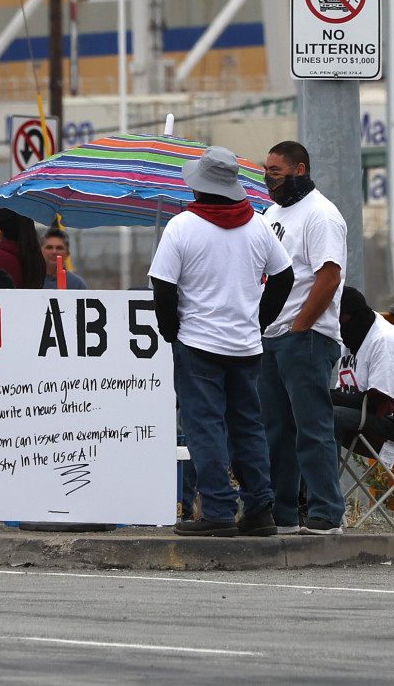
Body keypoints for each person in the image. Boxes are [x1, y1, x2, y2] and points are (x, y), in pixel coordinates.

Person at [150, 145, 293, 537]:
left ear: (199, 187)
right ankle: (260, 508)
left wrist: (170, 330)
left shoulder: (182, 226)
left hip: (198, 344)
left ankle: (217, 511)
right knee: (248, 427)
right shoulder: (259, 225)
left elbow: (162, 286)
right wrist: (259, 321)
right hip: (246, 347)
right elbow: (284, 278)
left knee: (205, 427)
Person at [257, 140, 348, 536]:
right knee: (276, 429)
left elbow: (329, 276)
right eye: (266, 170)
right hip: (271, 336)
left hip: (306, 336)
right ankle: (284, 511)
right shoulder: (270, 213)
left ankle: (326, 511)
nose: (268, 178)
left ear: (300, 169)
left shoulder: (321, 215)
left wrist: (299, 327)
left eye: (275, 171)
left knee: (311, 428)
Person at [335, 286, 394, 447]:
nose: (334, 325)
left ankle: (323, 473)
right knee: (304, 410)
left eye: (337, 319)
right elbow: (344, 392)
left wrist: (322, 396)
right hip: (368, 415)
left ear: (354, 315)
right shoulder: (350, 338)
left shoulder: (386, 342)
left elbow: (380, 403)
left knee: (326, 416)